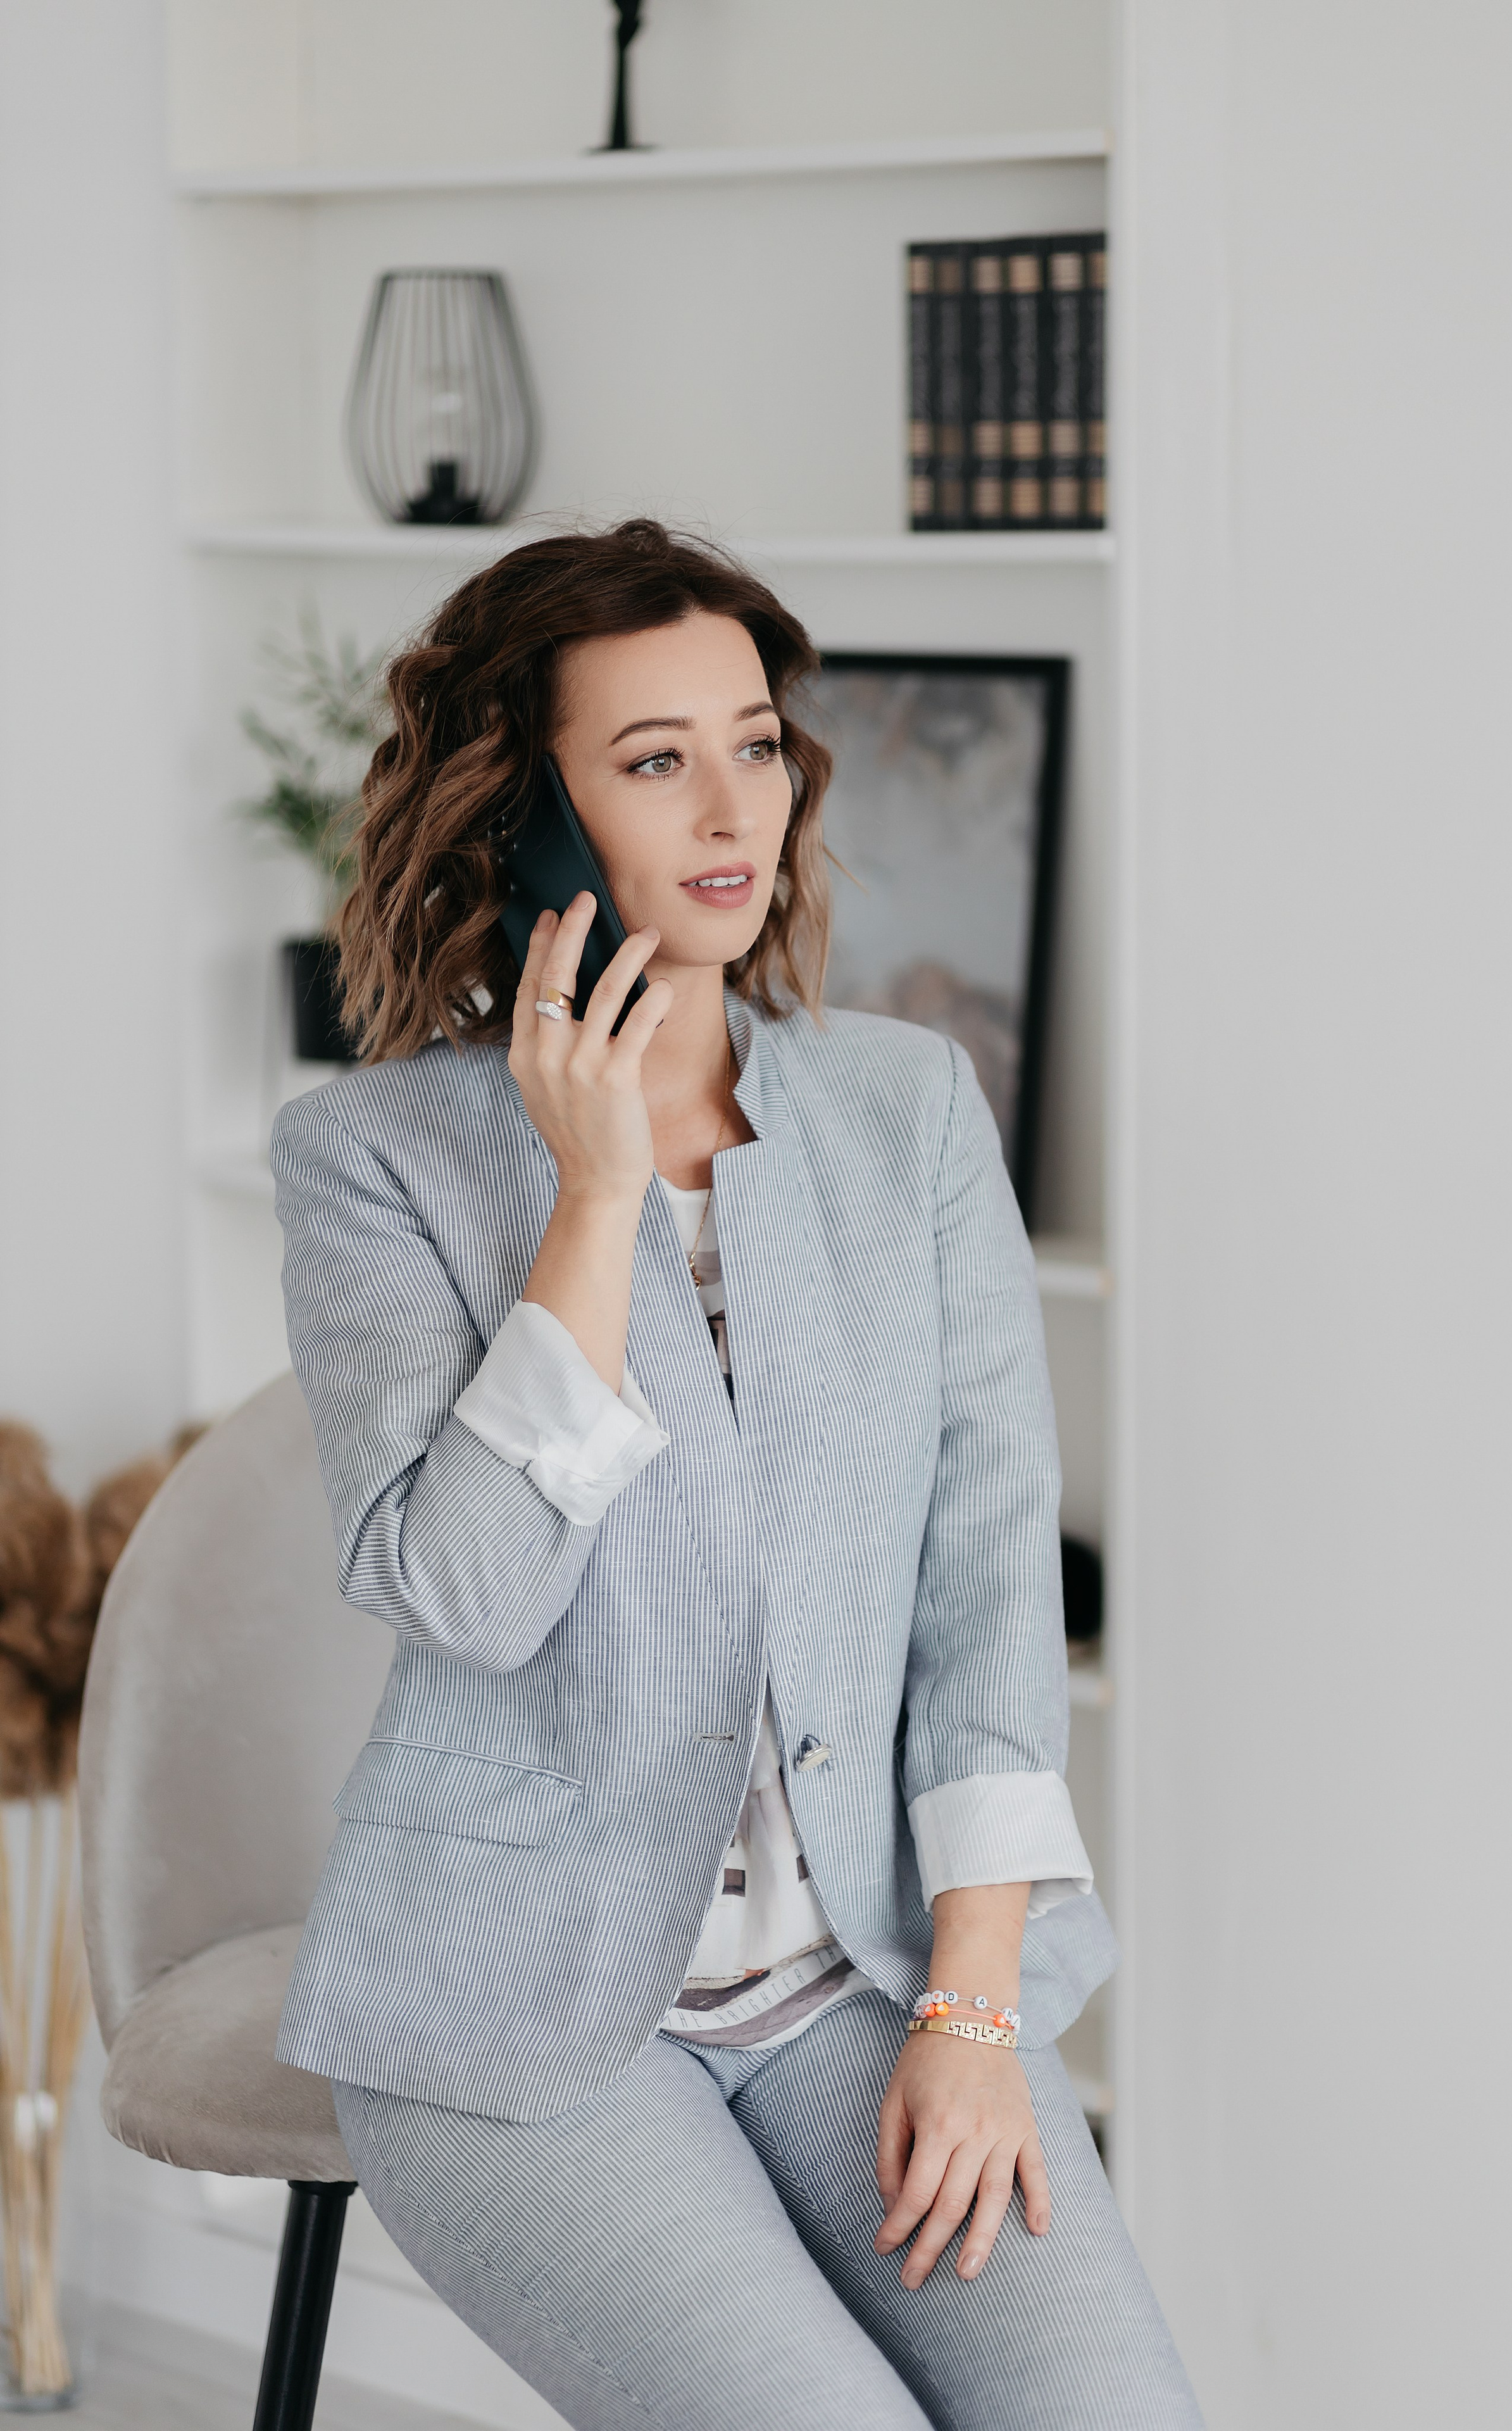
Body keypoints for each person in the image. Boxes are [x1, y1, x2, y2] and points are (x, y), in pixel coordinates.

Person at [270, 520, 1203, 2430]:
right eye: (650, 758)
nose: (732, 805)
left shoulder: (905, 1107)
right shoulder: (372, 1160)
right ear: (525, 815)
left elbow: (985, 1582)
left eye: (757, 741)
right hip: (520, 2014)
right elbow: (467, 1592)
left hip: (864, 1980)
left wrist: (971, 2009)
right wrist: (596, 1198)